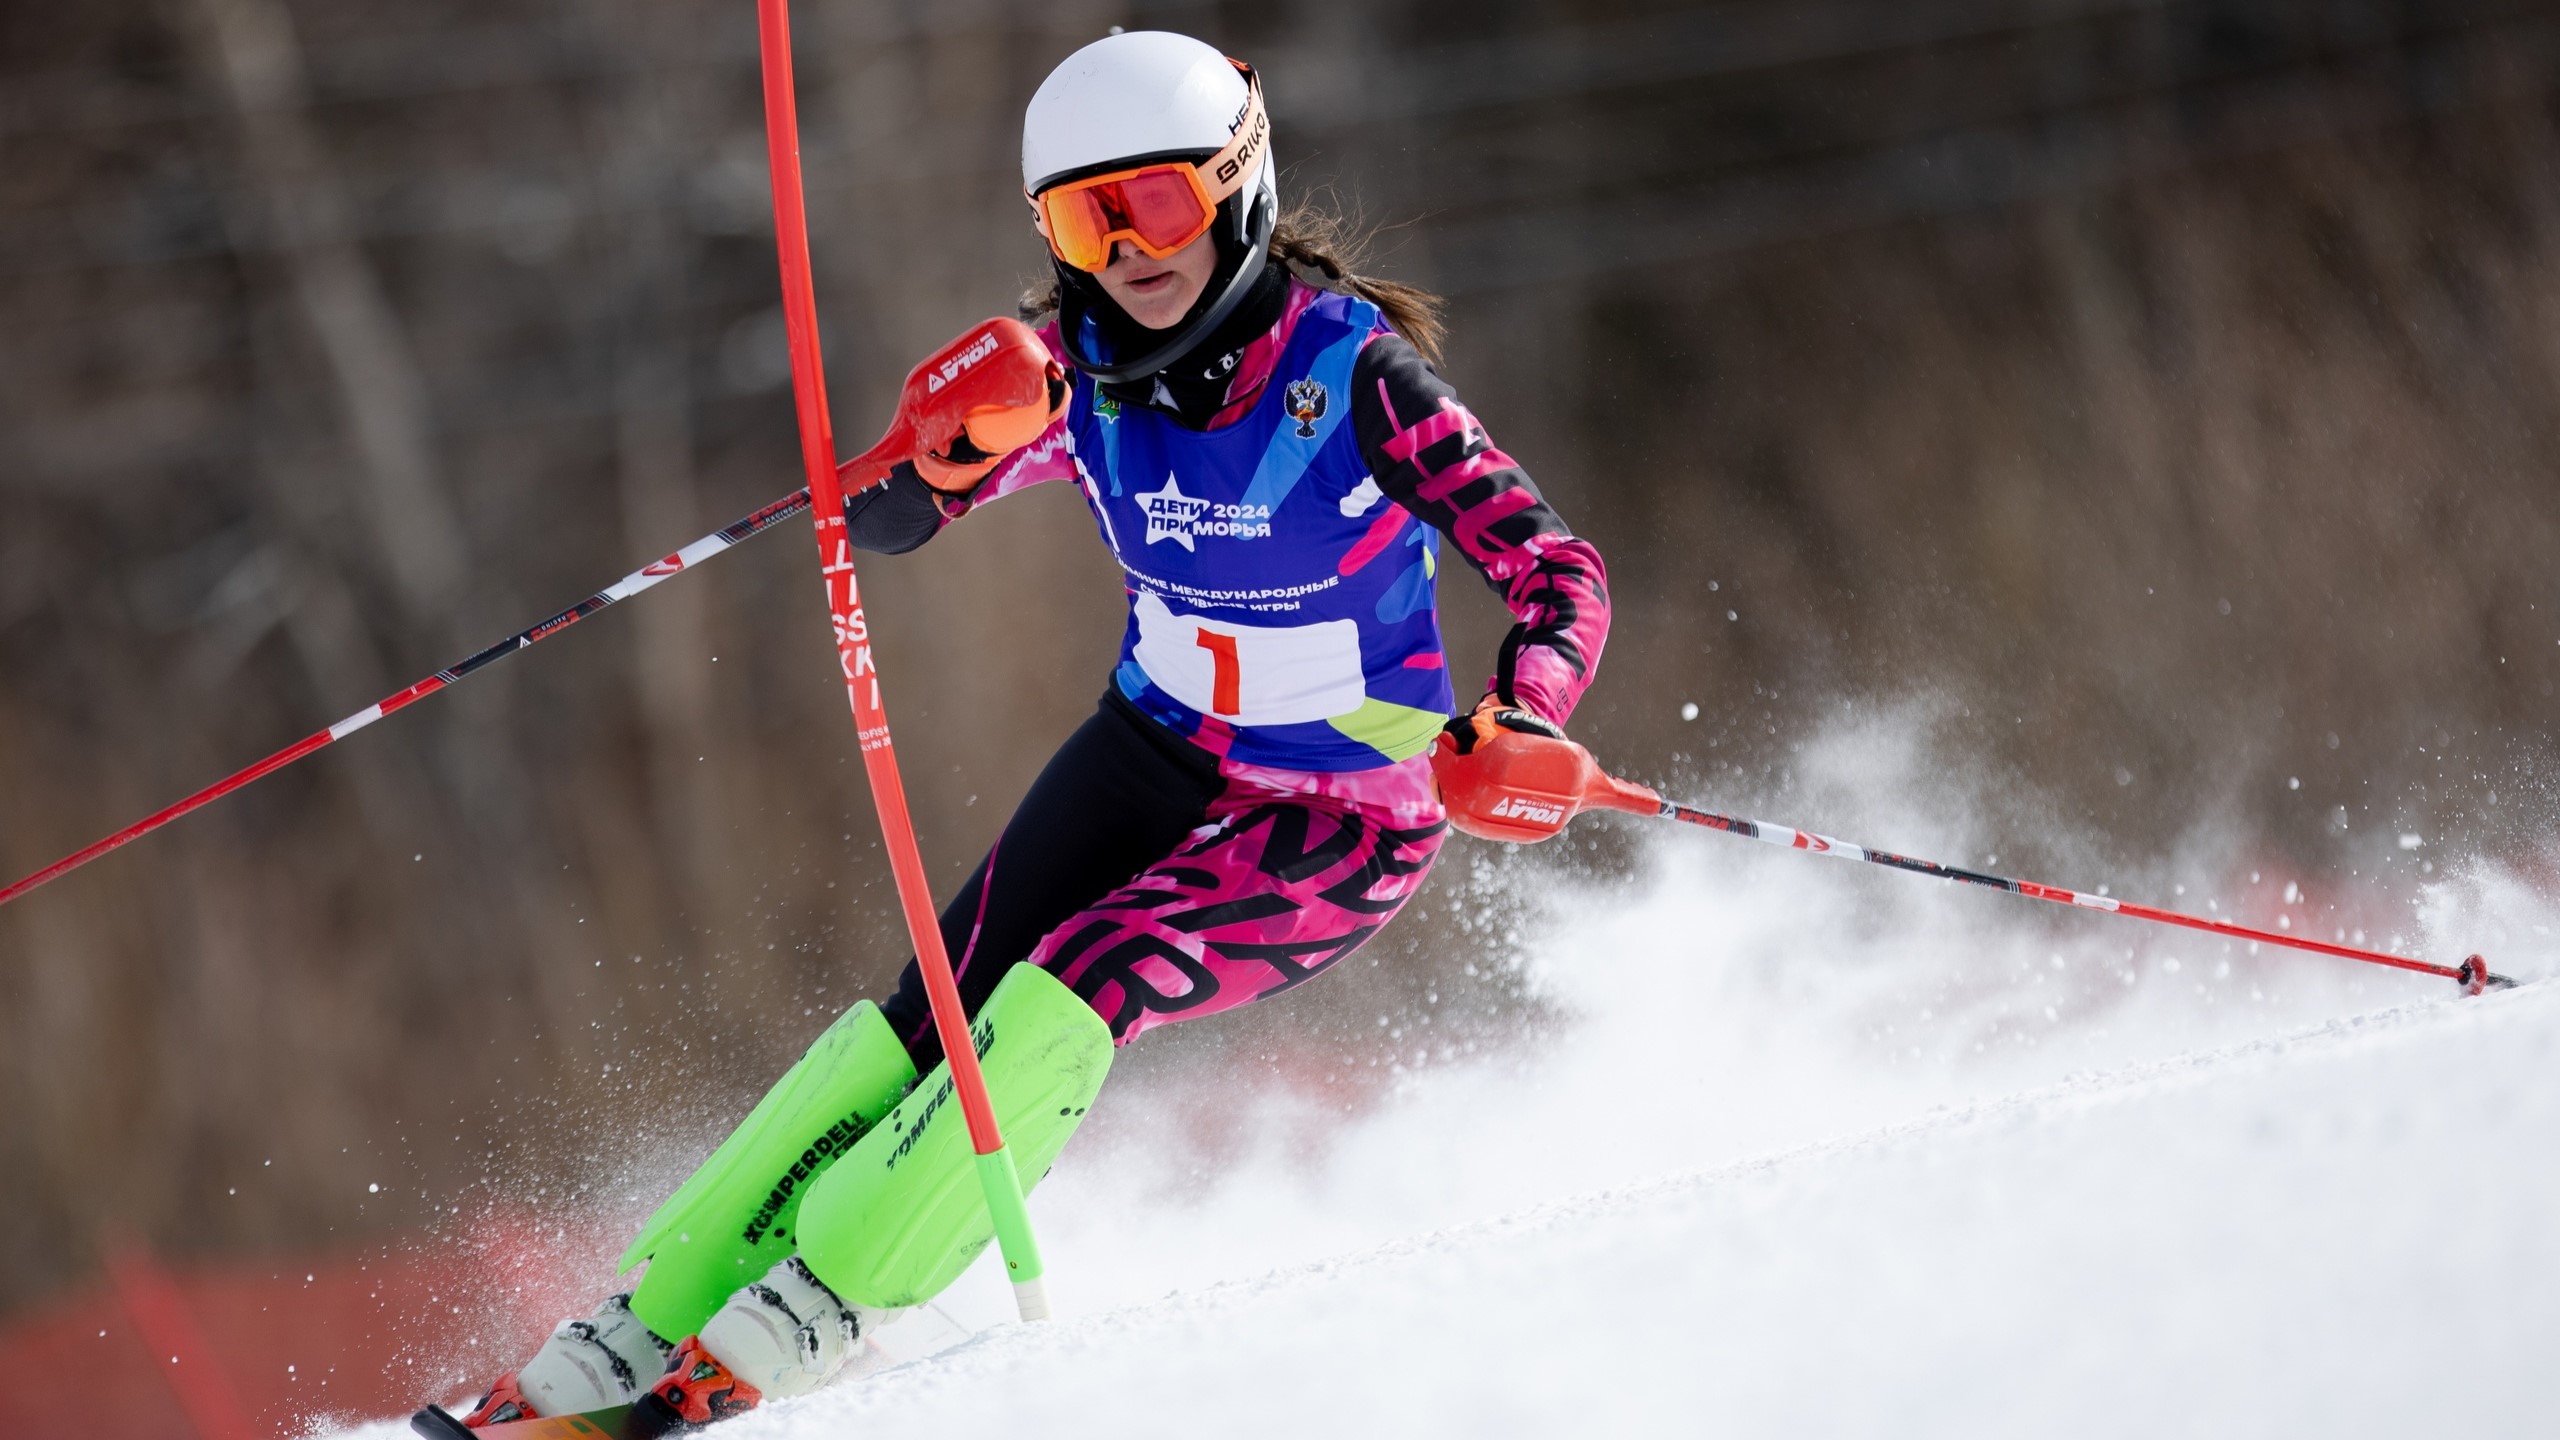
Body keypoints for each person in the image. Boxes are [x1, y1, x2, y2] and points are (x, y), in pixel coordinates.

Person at [443, 28, 1609, 1431]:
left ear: (1237, 188)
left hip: (1342, 814)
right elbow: (888, 515)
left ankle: (829, 1304)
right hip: (1157, 750)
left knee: (1081, 981)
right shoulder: (1070, 371)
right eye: (1084, 218)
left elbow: (1557, 569)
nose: (1126, 248)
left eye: (1158, 204)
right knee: (931, 1012)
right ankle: (649, 1315)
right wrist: (926, 451)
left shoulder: (1351, 381)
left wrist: (1523, 712)